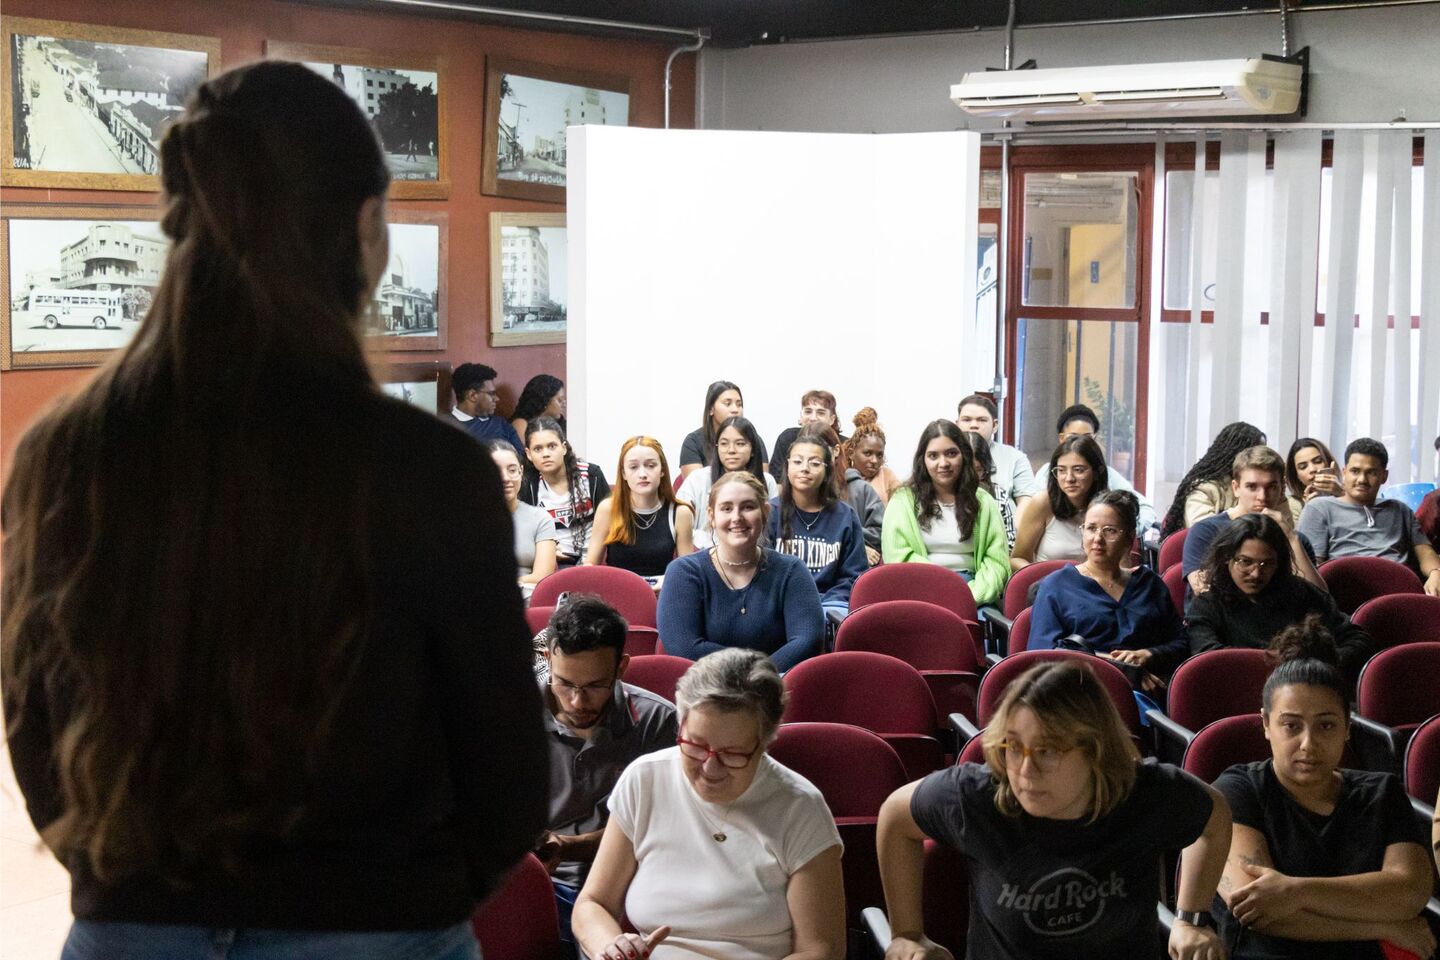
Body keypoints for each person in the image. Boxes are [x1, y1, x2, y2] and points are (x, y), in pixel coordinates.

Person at [0, 61, 546, 959]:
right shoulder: (431, 471)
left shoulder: (67, 454)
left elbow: (32, 726)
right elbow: (506, 776)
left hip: (136, 928)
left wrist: (121, 885)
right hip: (378, 929)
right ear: (367, 229)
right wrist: (411, 898)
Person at [877, 659, 1231, 960]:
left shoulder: (1144, 793)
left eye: (1047, 751)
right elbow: (895, 816)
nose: (1025, 771)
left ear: (1095, 750)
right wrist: (907, 932)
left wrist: (1190, 917)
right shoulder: (977, 797)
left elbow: (1215, 816)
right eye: (1012, 747)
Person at [572, 648, 845, 960]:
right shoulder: (645, 780)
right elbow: (593, 903)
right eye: (696, 745)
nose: (709, 768)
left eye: (732, 753)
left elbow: (821, 950)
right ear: (681, 725)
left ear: (764, 743)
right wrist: (611, 946)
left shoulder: (800, 807)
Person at [1212, 621, 1435, 960]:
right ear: (1265, 725)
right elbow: (1254, 909)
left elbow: (1410, 891)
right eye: (1291, 725)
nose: (1308, 744)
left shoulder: (1380, 791)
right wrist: (1379, 925)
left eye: (1326, 725)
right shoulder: (1238, 789)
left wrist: (1294, 891)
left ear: (1348, 727)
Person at [536, 595, 678, 952]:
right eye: (565, 683)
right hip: (539, 884)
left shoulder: (658, 721)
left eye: (596, 686)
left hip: (628, 887)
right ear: (547, 660)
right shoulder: (506, 717)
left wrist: (568, 848)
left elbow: (655, 829)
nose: (577, 702)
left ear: (621, 667)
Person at [658, 472, 825, 672]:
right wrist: (755, 671)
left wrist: (760, 676)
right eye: (726, 508)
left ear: (764, 512)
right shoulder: (683, 572)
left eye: (748, 507)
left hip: (777, 689)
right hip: (707, 690)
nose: (736, 517)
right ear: (712, 516)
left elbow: (808, 639)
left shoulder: (791, 570)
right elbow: (684, 646)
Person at [1028, 490, 1187, 693]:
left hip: (1150, 693)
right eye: (1091, 528)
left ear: (1130, 539)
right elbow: (1042, 654)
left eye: (1110, 531)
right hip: (1079, 692)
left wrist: (1149, 654)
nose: (1097, 539)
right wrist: (1120, 668)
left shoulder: (1149, 584)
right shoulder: (1056, 586)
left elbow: (1181, 643)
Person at [1184, 514, 1372, 680]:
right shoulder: (1207, 604)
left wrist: (1320, 664)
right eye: (1246, 562)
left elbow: (1357, 640)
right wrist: (1280, 662)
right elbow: (1207, 658)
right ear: (1227, 558)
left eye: (1267, 563)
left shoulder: (1302, 593)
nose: (1256, 574)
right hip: (1239, 694)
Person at [881, 419, 1011, 605]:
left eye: (951, 453)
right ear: (923, 460)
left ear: (964, 455)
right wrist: (943, 588)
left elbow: (997, 563)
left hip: (973, 593)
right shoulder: (903, 501)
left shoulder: (984, 501)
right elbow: (898, 558)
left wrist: (968, 596)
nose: (943, 463)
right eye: (933, 456)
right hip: (920, 593)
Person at [1297, 437, 1440, 596]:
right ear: (1344, 473)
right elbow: (1310, 568)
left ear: (1384, 476)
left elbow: (1425, 552)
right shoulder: (1320, 508)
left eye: (1371, 472)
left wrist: (1436, 572)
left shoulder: (1400, 510)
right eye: (1355, 471)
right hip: (1346, 596)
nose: (1362, 480)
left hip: (1399, 594)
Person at [1181, 445, 1324, 597]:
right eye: (1252, 487)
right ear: (1236, 488)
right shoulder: (1206, 531)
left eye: (1271, 487)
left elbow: (1320, 600)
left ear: (1282, 489)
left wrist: (1291, 539)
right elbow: (1203, 593)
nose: (1262, 497)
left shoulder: (1296, 539)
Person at [768, 429, 868, 618]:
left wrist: (821, 605)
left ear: (827, 470)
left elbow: (854, 576)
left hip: (831, 605)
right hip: (782, 603)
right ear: (787, 467)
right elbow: (762, 572)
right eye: (797, 462)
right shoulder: (770, 513)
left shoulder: (846, 516)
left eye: (814, 463)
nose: (805, 468)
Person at [586, 437, 695, 581]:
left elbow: (687, 573)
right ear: (623, 473)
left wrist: (666, 584)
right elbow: (590, 565)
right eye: (633, 467)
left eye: (651, 466)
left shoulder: (680, 512)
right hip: (617, 592)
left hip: (662, 593)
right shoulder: (608, 509)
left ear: (662, 470)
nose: (643, 474)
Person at [676, 416, 779, 550]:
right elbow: (679, 524)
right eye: (724, 443)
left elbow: (772, 529)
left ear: (753, 449)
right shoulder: (697, 479)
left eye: (740, 443)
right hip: (704, 552)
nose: (731, 450)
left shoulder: (767, 482)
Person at [521, 417, 611, 567]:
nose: (545, 454)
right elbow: (524, 534)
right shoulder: (528, 485)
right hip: (550, 563)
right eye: (538, 449)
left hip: (593, 562)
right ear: (529, 454)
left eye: (552, 446)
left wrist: (590, 563)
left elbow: (611, 521)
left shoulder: (591, 475)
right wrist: (545, 552)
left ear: (564, 448)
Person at [1053, 403, 1159, 529]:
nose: (1069, 478)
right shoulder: (1047, 474)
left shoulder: (1106, 473)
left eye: (1087, 438)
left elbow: (1145, 508)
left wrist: (1124, 534)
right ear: (1061, 438)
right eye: (1074, 437)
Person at [1011, 435, 1107, 570]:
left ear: (1098, 472)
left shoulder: (1109, 509)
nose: (1069, 478)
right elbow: (1017, 558)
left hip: (1093, 587)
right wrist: (1043, 580)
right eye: (1061, 470)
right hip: (1047, 585)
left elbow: (1120, 564)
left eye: (1078, 470)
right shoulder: (1042, 502)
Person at [1160, 421, 1269, 535]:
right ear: (1234, 453)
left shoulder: (1267, 488)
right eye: (1256, 454)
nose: (1261, 460)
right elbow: (1205, 532)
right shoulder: (1204, 489)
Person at [956, 393, 1040, 522]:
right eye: (966, 420)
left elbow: (1027, 502)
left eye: (981, 420)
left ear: (995, 425)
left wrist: (1010, 533)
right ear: (957, 424)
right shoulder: (948, 457)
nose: (973, 425)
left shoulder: (1015, 458)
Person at [489, 440, 558, 588]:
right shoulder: (467, 518)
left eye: (512, 470)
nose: (505, 478)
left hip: (526, 597)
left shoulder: (540, 518)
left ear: (521, 471)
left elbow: (542, 576)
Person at [679, 381, 766, 481]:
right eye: (728, 404)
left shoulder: (754, 438)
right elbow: (696, 485)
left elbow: (761, 480)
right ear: (711, 409)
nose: (735, 409)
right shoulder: (693, 441)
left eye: (739, 404)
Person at [768, 389, 844, 486]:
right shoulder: (787, 438)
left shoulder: (844, 443)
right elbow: (776, 480)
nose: (813, 418)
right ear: (801, 416)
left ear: (832, 419)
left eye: (820, 413)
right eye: (808, 412)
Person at [960, 430, 1018, 549]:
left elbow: (1010, 543)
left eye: (977, 470)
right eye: (965, 469)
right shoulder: (943, 494)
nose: (970, 477)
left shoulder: (997, 494)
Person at [449, 361, 524, 450]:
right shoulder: (447, 428)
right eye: (491, 394)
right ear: (473, 396)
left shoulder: (501, 424)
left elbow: (521, 458)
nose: (497, 399)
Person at [845, 406, 901, 504]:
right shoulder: (840, 476)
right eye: (867, 453)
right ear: (851, 453)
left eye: (879, 455)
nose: (874, 461)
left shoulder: (887, 477)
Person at [1284, 437, 1341, 524]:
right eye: (1303, 467)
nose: (1312, 469)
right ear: (1297, 475)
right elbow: (1300, 537)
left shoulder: (1347, 493)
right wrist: (1310, 510)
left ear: (1329, 463)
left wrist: (1342, 495)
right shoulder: (1293, 505)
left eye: (1318, 461)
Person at [511, 373, 566, 440]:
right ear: (545, 401)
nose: (564, 404)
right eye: (559, 400)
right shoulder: (521, 424)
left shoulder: (560, 422)